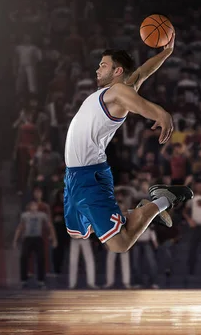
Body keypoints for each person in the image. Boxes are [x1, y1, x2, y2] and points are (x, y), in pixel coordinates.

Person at [63, 34, 193, 253]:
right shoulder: (109, 93)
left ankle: (162, 200)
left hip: (89, 175)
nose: (97, 69)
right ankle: (141, 212)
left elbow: (140, 104)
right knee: (75, 230)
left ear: (117, 71)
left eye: (103, 65)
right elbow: (142, 72)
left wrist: (160, 113)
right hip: (75, 175)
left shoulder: (117, 92)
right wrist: (165, 53)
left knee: (120, 243)